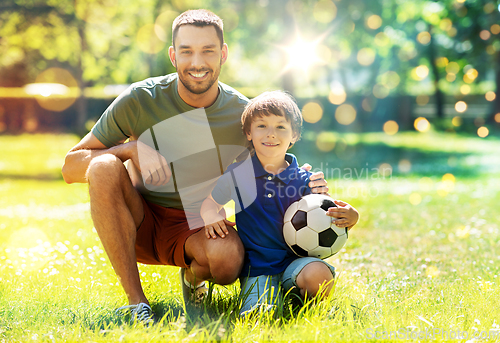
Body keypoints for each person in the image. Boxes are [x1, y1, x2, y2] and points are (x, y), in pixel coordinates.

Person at [61, 9, 329, 324]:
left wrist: (302, 181)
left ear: (223, 55)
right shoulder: (139, 99)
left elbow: (270, 162)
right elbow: (70, 167)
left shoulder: (242, 115)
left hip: (196, 223)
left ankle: (193, 277)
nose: (197, 62)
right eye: (187, 51)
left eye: (208, 51)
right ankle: (137, 304)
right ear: (173, 56)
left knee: (228, 260)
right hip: (137, 219)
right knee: (104, 164)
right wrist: (131, 149)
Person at [200, 91, 359, 315]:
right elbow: (209, 202)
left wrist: (352, 216)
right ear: (248, 132)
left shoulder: (305, 179)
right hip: (258, 269)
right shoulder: (238, 175)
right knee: (259, 317)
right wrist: (211, 215)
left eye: (281, 127)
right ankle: (271, 295)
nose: (271, 134)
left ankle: (301, 299)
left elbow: (329, 217)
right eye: (262, 126)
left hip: (297, 263)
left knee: (319, 277)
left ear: (294, 135)